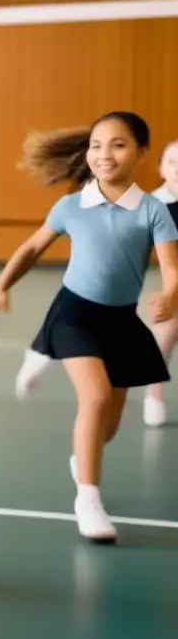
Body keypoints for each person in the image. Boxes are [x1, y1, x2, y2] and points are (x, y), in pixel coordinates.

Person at [0, 111, 178, 543]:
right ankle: (88, 498)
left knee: (107, 425)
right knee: (96, 396)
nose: (104, 154)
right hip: (76, 314)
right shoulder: (71, 206)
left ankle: (82, 455)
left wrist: (169, 295)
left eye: (118, 144)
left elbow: (172, 269)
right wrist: (0, 288)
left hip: (122, 322)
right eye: (96, 145)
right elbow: (32, 248)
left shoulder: (155, 211)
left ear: (142, 153)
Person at [143, 139, 178, 427]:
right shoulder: (154, 204)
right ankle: (154, 395)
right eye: (172, 162)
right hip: (173, 286)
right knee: (163, 341)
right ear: (161, 168)